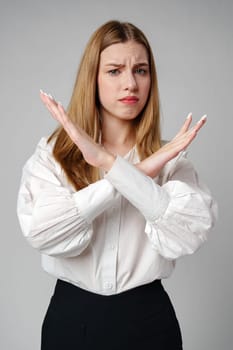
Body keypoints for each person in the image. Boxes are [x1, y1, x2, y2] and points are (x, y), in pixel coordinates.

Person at [17, 20, 217, 350]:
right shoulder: (53, 155)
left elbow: (188, 235)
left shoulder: (172, 160)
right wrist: (135, 174)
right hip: (72, 320)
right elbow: (44, 232)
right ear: (92, 78)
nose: (130, 84)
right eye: (114, 71)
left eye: (141, 70)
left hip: (149, 321)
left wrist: (110, 165)